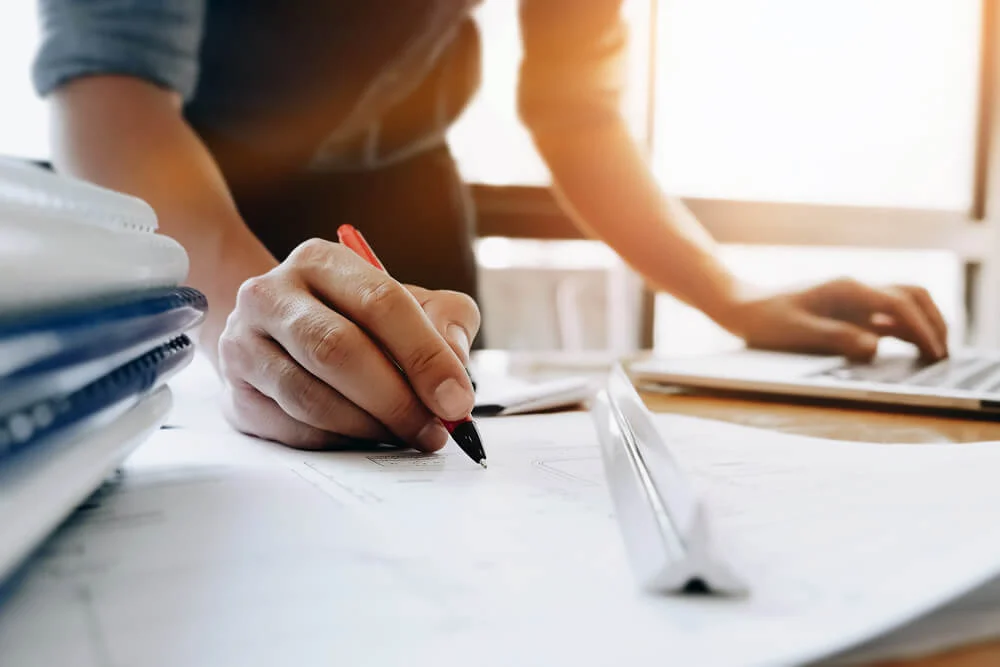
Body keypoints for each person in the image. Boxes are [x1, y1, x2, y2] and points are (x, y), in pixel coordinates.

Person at [33, 1, 949, 452]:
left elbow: (578, 109)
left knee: (431, 438)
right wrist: (255, 304)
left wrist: (736, 294)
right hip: (190, 191)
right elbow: (109, 89)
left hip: (407, 201)